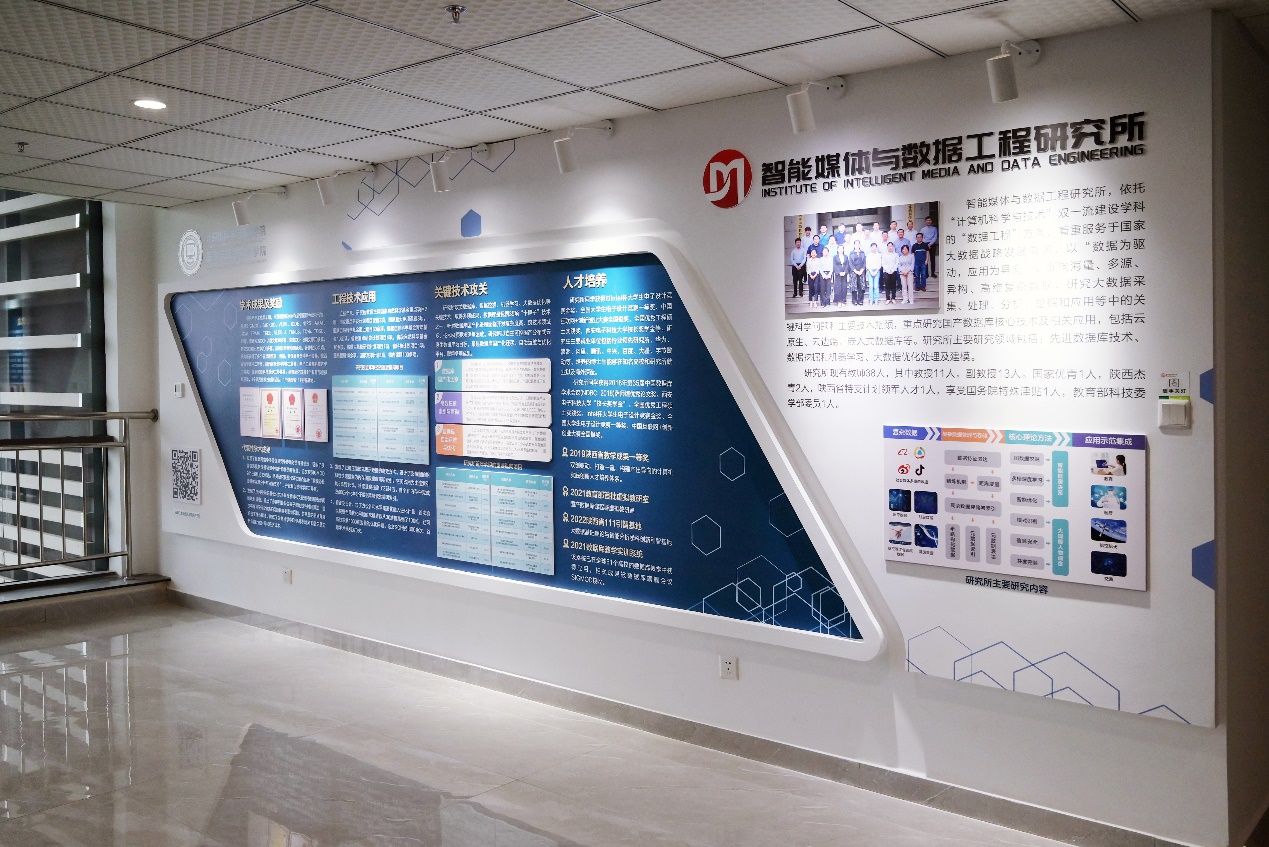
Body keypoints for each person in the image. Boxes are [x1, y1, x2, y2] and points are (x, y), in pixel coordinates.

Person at [848, 240, 867, 306]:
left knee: (861, 286)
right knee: (854, 287)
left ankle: (860, 300)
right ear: (854, 245)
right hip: (853, 272)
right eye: (856, 244)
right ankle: (854, 300)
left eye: (858, 244)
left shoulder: (862, 253)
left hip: (861, 271)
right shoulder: (851, 253)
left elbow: (864, 262)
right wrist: (855, 271)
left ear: (860, 245)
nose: (857, 245)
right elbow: (850, 263)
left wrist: (862, 270)